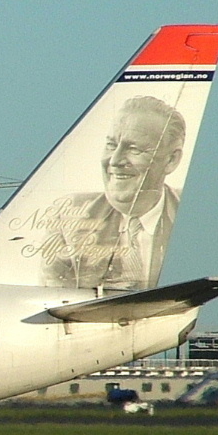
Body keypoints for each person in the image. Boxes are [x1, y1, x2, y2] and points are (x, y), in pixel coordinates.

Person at [40, 95, 185, 290]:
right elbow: (54, 294)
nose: (115, 160)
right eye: (111, 145)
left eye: (133, 149)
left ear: (171, 160)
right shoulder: (69, 215)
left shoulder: (194, 216)